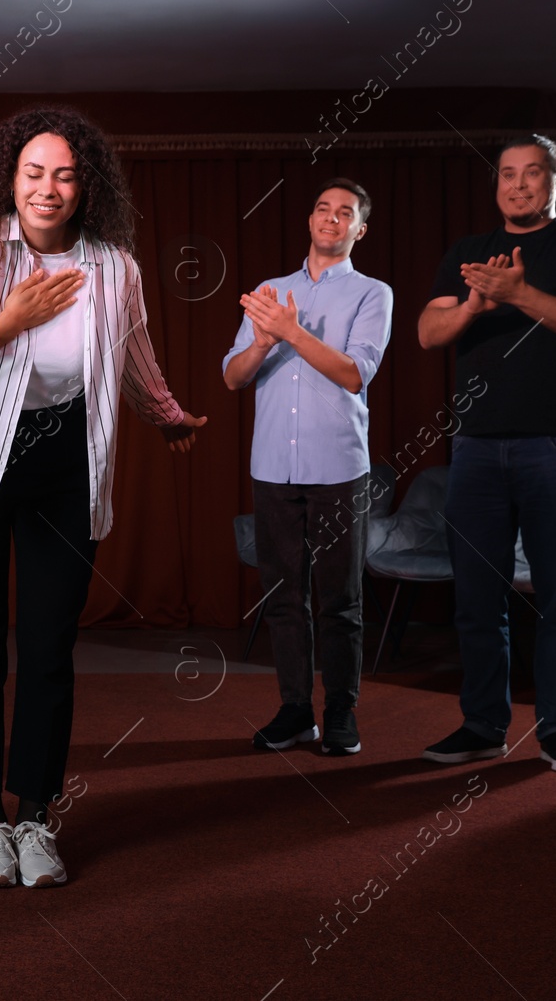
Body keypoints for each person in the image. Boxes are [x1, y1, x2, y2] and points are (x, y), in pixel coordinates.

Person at [0, 107, 205, 887]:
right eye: (33, 172)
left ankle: (34, 814)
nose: (47, 187)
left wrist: (166, 415)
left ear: (85, 185)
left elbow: (134, 355)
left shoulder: (116, 267)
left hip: (67, 461)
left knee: (47, 646)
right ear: (10, 178)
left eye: (64, 174)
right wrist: (3, 325)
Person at [416, 134, 556, 774]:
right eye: (507, 175)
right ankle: (482, 724)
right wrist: (476, 303)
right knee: (478, 594)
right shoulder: (469, 253)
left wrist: (519, 294)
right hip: (476, 445)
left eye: (533, 173)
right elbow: (429, 332)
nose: (518, 185)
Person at [223, 179, 393, 757]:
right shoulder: (270, 291)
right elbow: (233, 376)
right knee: (283, 595)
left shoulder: (373, 294)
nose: (331, 218)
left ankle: (341, 712)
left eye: (345, 212)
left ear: (358, 229)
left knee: (339, 599)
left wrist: (290, 331)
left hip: (338, 468)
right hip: (273, 465)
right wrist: (265, 340)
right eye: (322, 207)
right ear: (310, 219)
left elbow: (354, 374)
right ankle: (296, 711)